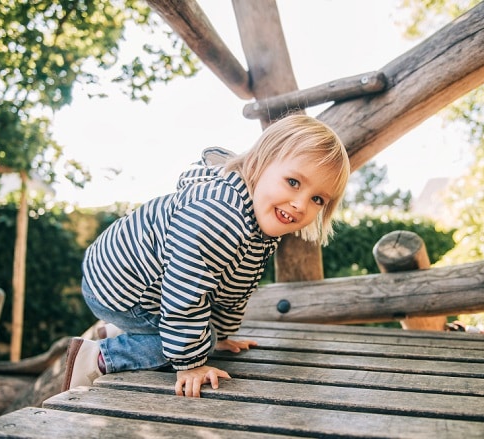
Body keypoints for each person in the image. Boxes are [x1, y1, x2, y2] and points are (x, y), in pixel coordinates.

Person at [62, 114, 350, 397]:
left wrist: (222, 335)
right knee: (196, 340)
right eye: (293, 182)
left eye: (317, 199)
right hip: (118, 287)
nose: (300, 204)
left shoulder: (259, 226)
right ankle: (98, 357)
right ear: (260, 163)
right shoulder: (219, 216)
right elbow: (183, 295)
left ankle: (120, 333)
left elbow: (236, 287)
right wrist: (191, 365)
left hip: (136, 283)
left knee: (207, 337)